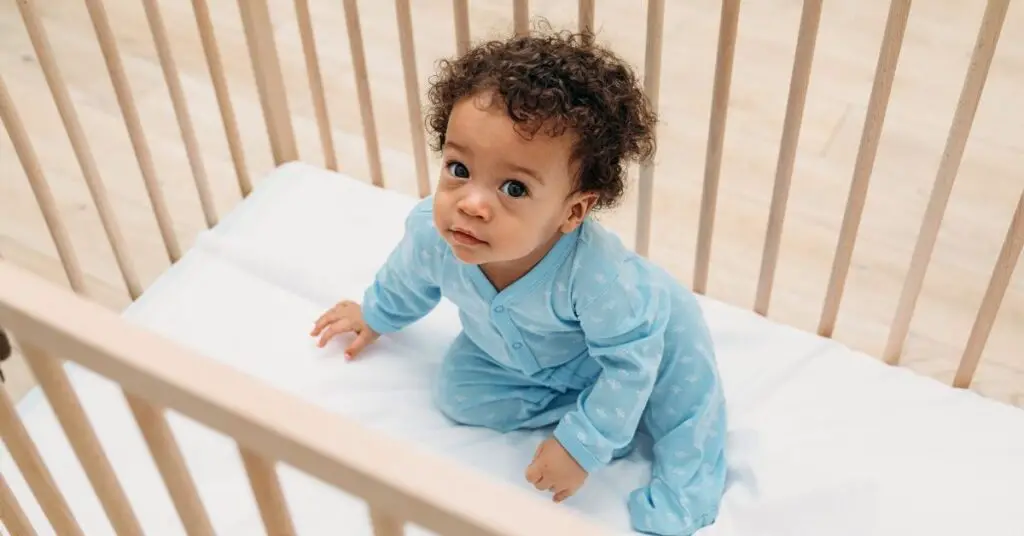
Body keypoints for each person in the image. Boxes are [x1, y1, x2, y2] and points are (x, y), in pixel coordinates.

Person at [311, 26, 727, 536]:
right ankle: (598, 404)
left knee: (684, 410)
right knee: (458, 396)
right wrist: (374, 314)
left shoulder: (601, 281)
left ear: (572, 211)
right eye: (459, 168)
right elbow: (406, 279)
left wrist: (583, 442)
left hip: (650, 338)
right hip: (534, 360)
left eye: (513, 187)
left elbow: (628, 364)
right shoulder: (433, 234)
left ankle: (683, 493)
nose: (471, 202)